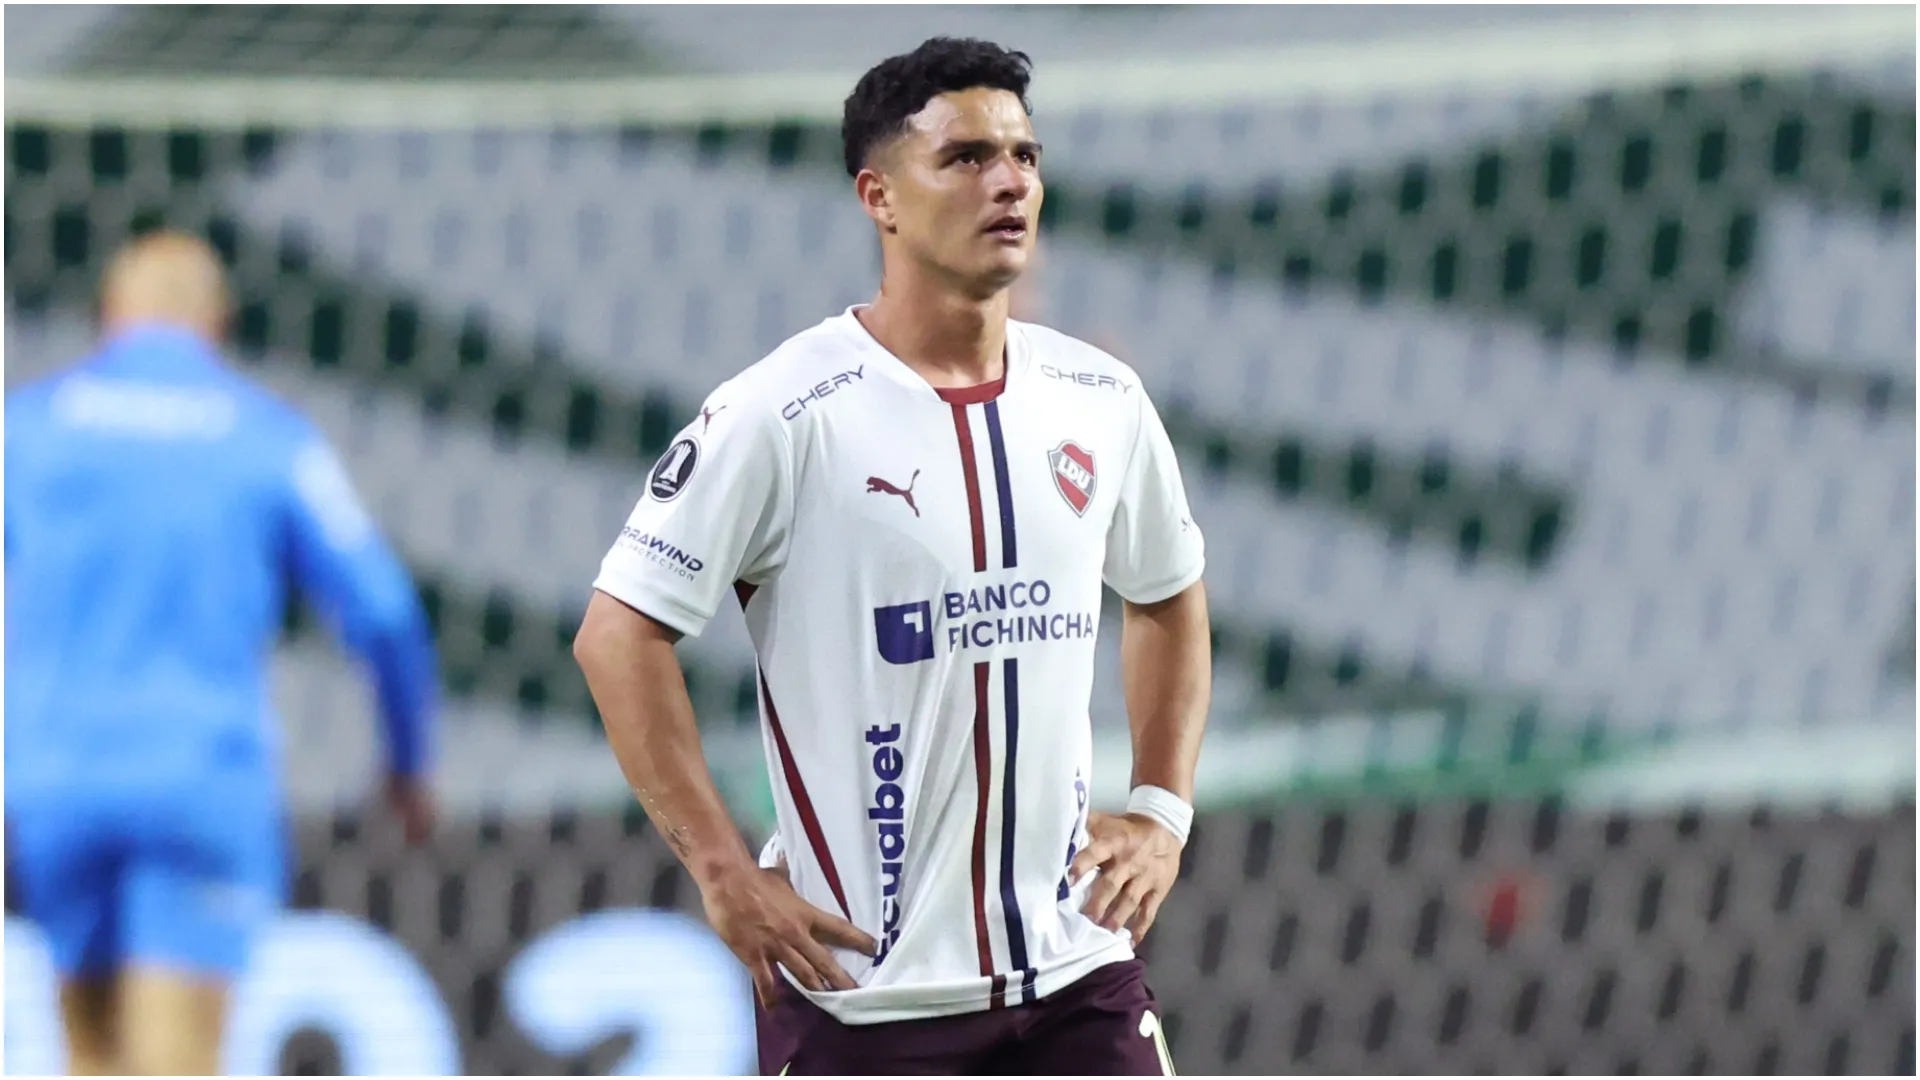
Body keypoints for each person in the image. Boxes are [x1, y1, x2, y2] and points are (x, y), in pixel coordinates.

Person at [573, 37, 1210, 1075]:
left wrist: (1161, 811)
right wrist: (723, 872)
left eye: (1024, 155)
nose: (1009, 181)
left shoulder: (1102, 400)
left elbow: (1169, 593)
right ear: (880, 198)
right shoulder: (783, 413)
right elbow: (616, 636)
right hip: (863, 1002)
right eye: (965, 157)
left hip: (1076, 978)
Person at [5, 230, 439, 1075]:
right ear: (218, 324)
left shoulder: (27, 429)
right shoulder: (267, 440)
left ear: (107, 316)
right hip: (198, 784)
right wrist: (408, 764)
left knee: (91, 1061)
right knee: (178, 1061)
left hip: (57, 786)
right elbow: (386, 613)